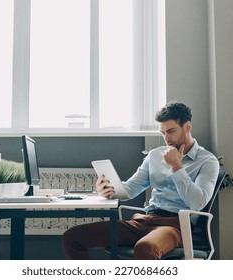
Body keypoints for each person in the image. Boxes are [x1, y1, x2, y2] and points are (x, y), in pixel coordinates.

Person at [62, 101, 219, 260]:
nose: (167, 138)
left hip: (175, 226)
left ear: (187, 127)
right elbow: (131, 188)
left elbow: (198, 203)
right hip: (143, 220)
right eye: (163, 133)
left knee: (145, 248)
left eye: (171, 131)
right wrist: (108, 189)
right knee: (73, 237)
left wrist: (176, 166)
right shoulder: (155, 155)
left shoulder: (207, 161)